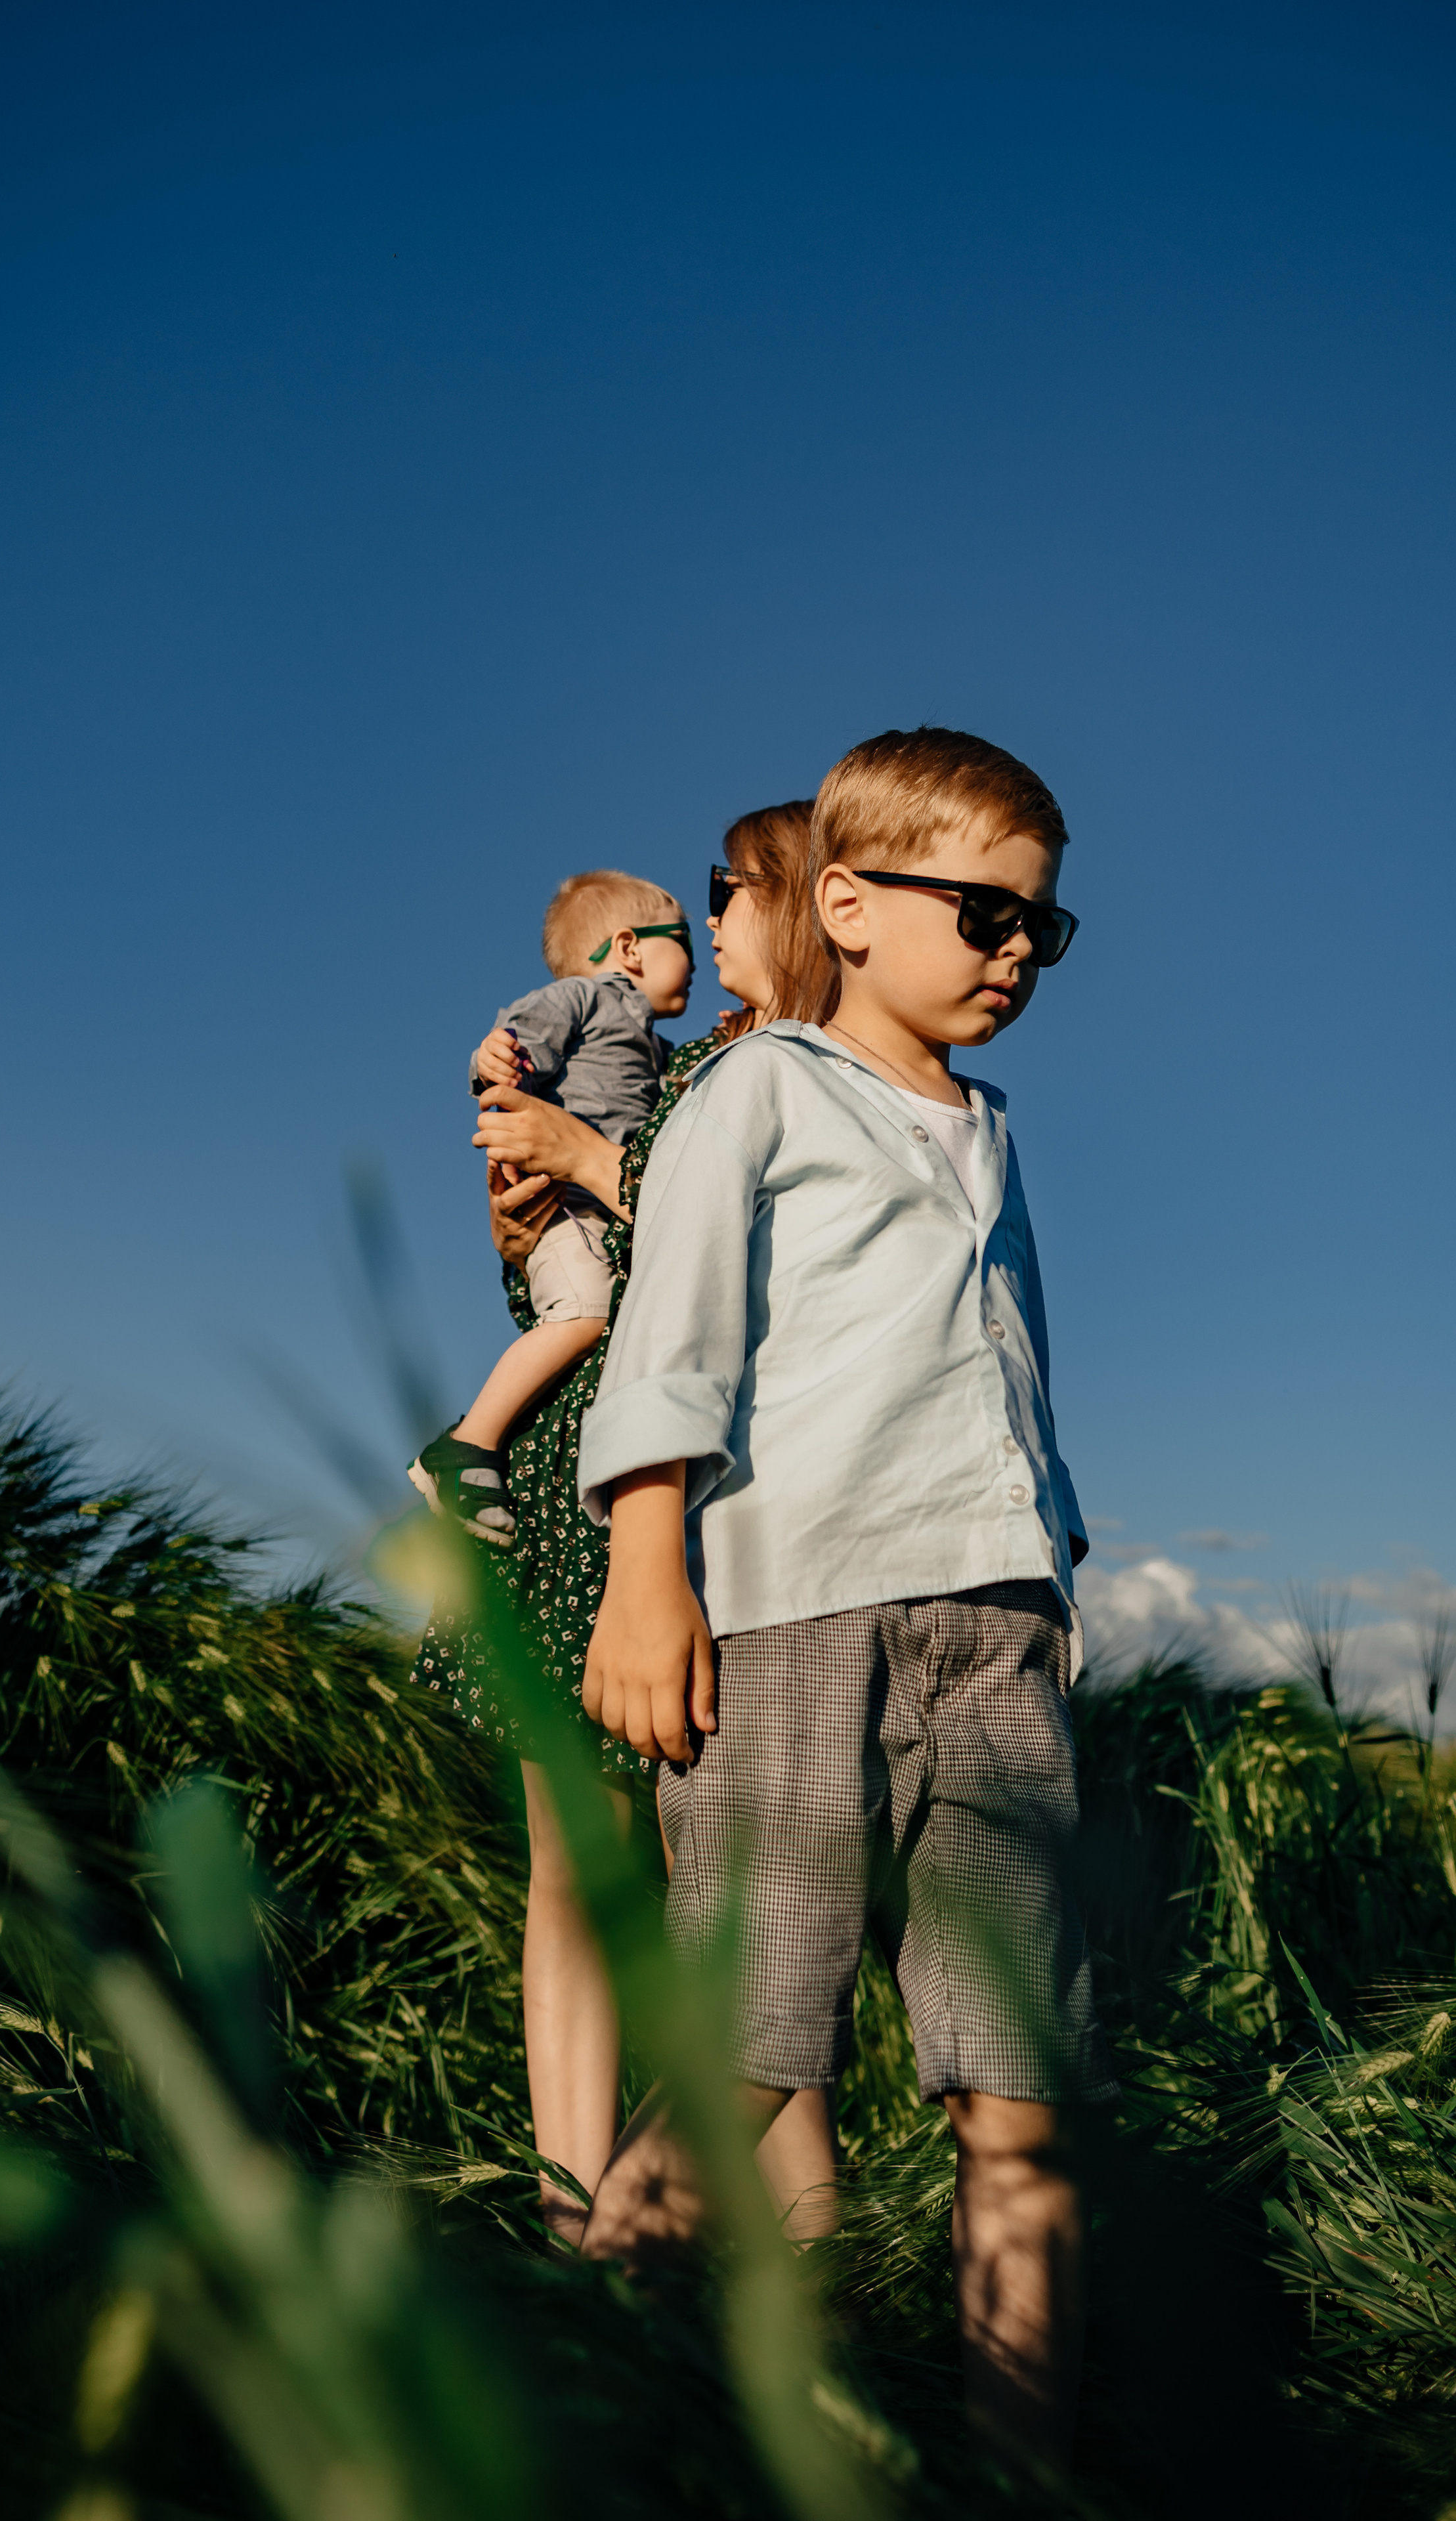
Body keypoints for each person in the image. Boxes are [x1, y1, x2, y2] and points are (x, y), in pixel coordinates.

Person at [574, 729, 1112, 2477]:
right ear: (851, 904)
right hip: (796, 1617)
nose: (1016, 952)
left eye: (1043, 927)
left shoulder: (995, 1133)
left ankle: (1021, 2479)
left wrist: (1056, 1580)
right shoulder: (761, 1092)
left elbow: (1007, 1379)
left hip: (996, 1630)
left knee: (1020, 2094)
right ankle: (566, 2417)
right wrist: (645, 1576)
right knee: (745, 2056)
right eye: (985, 914)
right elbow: (670, 1348)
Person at [413, 803, 839, 2246]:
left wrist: (579, 1159)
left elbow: (739, 1259)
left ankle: (800, 2234)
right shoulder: (648, 1062)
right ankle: (577, 2216)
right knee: (582, 1878)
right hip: (575, 1486)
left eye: (729, 896)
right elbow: (563, 1276)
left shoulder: (764, 1076)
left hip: (709, 1495)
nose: (706, 930)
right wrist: (526, 1204)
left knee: (747, 1892)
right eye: (692, 906)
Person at [408, 869, 695, 1543]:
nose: (695, 961)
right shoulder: (582, 998)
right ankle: (467, 1445)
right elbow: (513, 1046)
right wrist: (493, 1062)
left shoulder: (661, 1050)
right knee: (586, 1312)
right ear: (630, 947)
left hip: (603, 1209)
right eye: (681, 941)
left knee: (603, 1315)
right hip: (564, 1204)